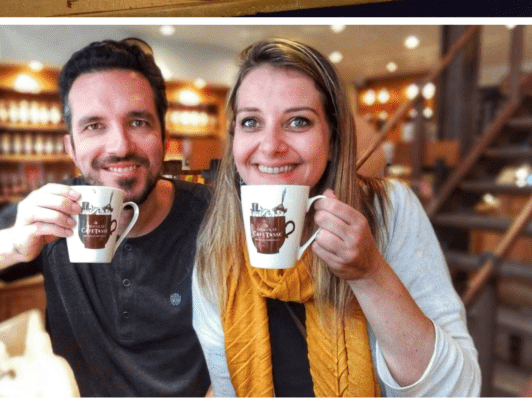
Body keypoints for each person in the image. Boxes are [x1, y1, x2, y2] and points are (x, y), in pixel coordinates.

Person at [0, 39, 211, 397]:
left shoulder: (214, 217)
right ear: (71, 148)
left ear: (165, 140)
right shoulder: (55, 209)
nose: (120, 146)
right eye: (94, 126)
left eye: (138, 122)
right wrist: (13, 244)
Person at [192, 38, 480, 397]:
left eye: (298, 121)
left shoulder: (389, 210)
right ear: (234, 139)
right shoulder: (218, 243)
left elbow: (457, 391)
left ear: (332, 137)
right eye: (251, 122)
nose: (270, 146)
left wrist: (370, 273)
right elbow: (226, 388)